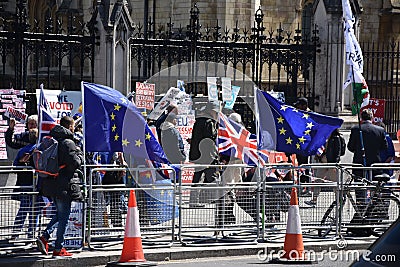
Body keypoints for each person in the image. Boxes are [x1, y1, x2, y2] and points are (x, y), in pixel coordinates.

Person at [36, 116, 84, 258]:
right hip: (64, 184)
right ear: (69, 127)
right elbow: (75, 163)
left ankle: (45, 237)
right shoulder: (68, 142)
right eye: (73, 126)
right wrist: (79, 154)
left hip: (53, 184)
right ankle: (57, 248)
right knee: (64, 217)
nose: (74, 128)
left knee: (60, 214)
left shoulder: (52, 139)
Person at [11, 128, 45, 239]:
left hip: (24, 184)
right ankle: (31, 235)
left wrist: (21, 163)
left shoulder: (22, 150)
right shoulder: (40, 150)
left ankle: (15, 233)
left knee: (23, 208)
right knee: (34, 211)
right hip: (36, 185)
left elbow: (15, 166)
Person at [188, 101, 220, 206]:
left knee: (197, 178)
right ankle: (215, 198)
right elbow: (210, 138)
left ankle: (194, 201)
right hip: (207, 156)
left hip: (198, 155)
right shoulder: (209, 122)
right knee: (213, 178)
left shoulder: (198, 122)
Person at [305, 128, 342, 206]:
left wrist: (335, 164)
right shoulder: (323, 137)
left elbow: (338, 152)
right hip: (323, 162)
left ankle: (339, 201)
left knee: (335, 183)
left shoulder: (336, 138)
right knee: (318, 181)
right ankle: (314, 200)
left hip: (332, 164)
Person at [348, 109, 388, 178]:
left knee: (359, 186)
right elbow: (384, 146)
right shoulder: (380, 130)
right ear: (372, 118)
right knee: (374, 186)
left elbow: (350, 147)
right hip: (375, 163)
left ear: (361, 118)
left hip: (359, 163)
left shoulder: (355, 129)